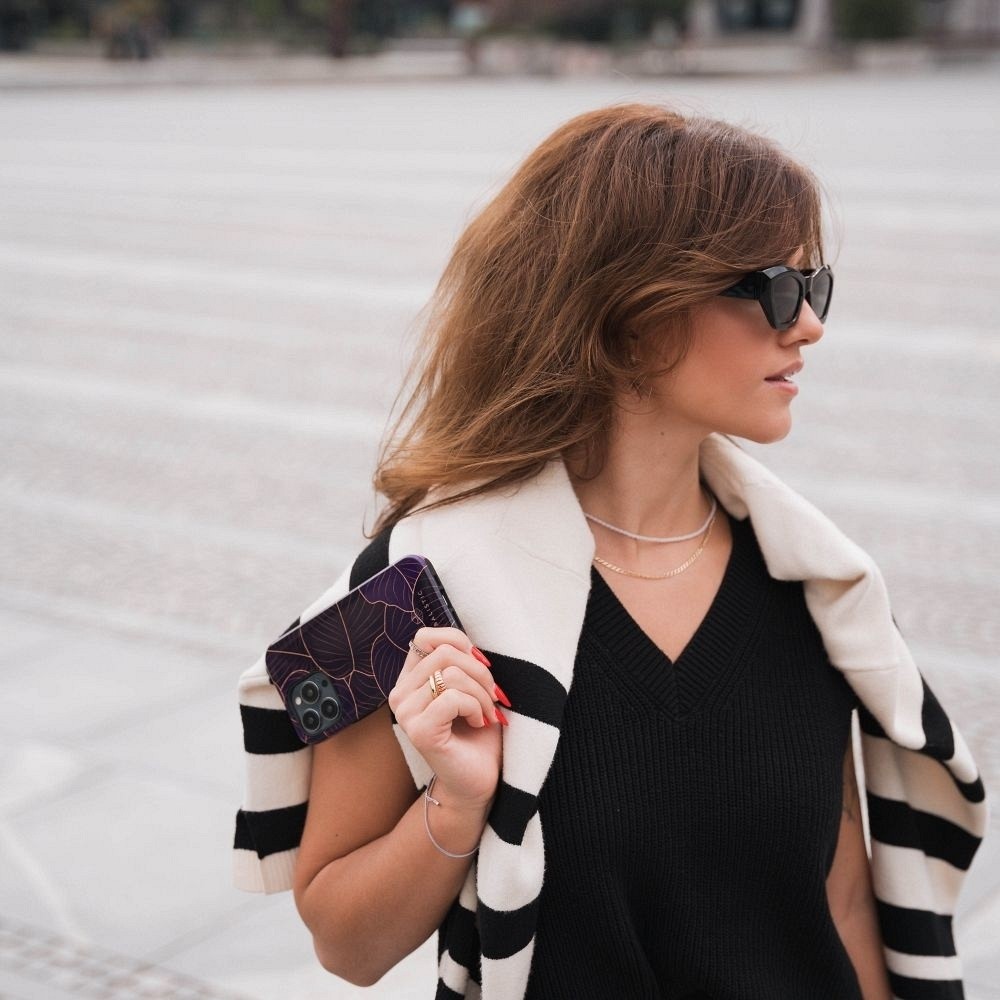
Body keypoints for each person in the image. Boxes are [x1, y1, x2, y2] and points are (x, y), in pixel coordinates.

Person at [234, 104, 987, 1000]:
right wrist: (457, 804)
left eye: (815, 288)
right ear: (631, 314)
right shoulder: (413, 589)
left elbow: (845, 904)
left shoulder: (818, 584)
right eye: (776, 289)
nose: (809, 326)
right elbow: (345, 945)